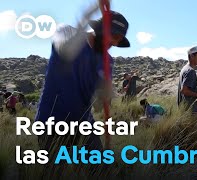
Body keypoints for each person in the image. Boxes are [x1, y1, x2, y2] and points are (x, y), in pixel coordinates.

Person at [35, 9, 130, 154]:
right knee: (55, 171)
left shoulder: (107, 62)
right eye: (114, 35)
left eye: (119, 39)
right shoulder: (68, 35)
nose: (114, 42)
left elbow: (98, 103)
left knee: (98, 169)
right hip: (51, 121)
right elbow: (61, 40)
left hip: (83, 123)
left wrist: (105, 94)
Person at [177, 46, 197, 117]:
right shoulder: (190, 71)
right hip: (190, 111)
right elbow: (184, 91)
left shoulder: (185, 69)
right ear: (192, 56)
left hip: (185, 109)